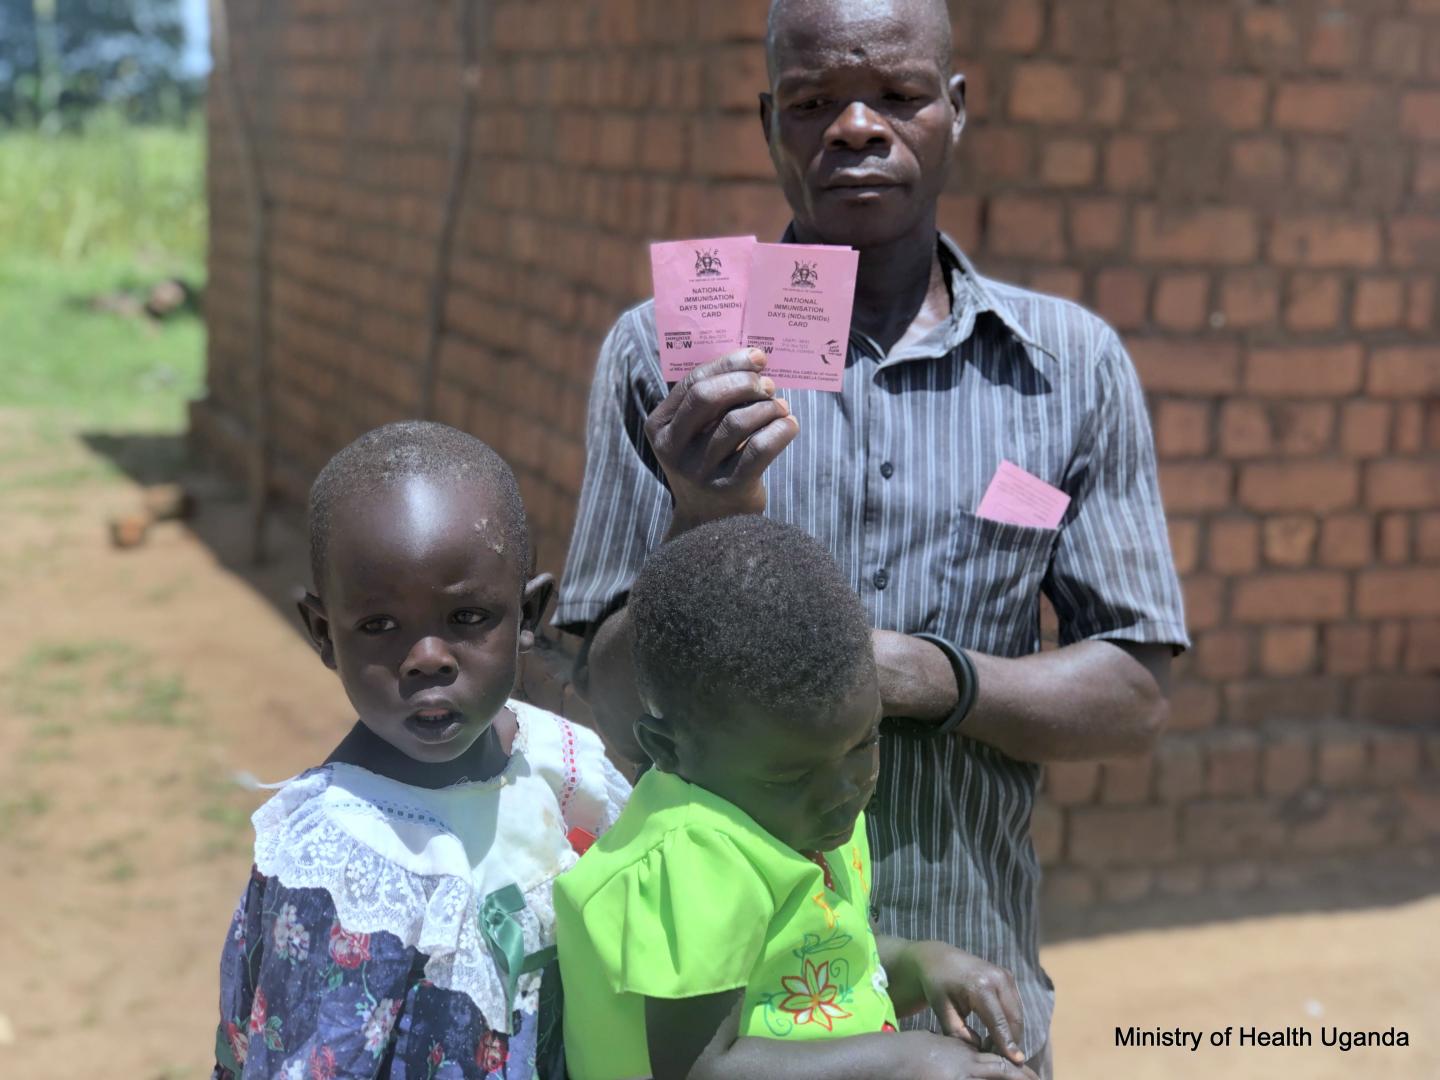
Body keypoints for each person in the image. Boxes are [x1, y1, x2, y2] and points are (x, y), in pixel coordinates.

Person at [557, 1, 1190, 1074]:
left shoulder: (1070, 367)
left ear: (955, 110)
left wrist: (920, 676)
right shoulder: (671, 357)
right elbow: (603, 701)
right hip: (727, 1009)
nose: (854, 127)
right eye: (812, 103)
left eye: (896, 96)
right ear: (769, 124)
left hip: (965, 996)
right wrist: (704, 517)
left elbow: (1135, 695)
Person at [212, 421, 630, 1080]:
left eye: (467, 619)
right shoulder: (344, 860)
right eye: (379, 626)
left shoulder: (561, 765)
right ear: (325, 634)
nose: (428, 659)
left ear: (527, 616)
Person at [556, 516, 1039, 1080]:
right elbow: (700, 1070)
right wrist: (904, 1062)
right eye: (789, 775)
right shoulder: (693, 859)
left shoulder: (800, 816)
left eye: (865, 743)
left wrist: (919, 962)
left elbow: (814, 964)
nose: (845, 791)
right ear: (670, 751)